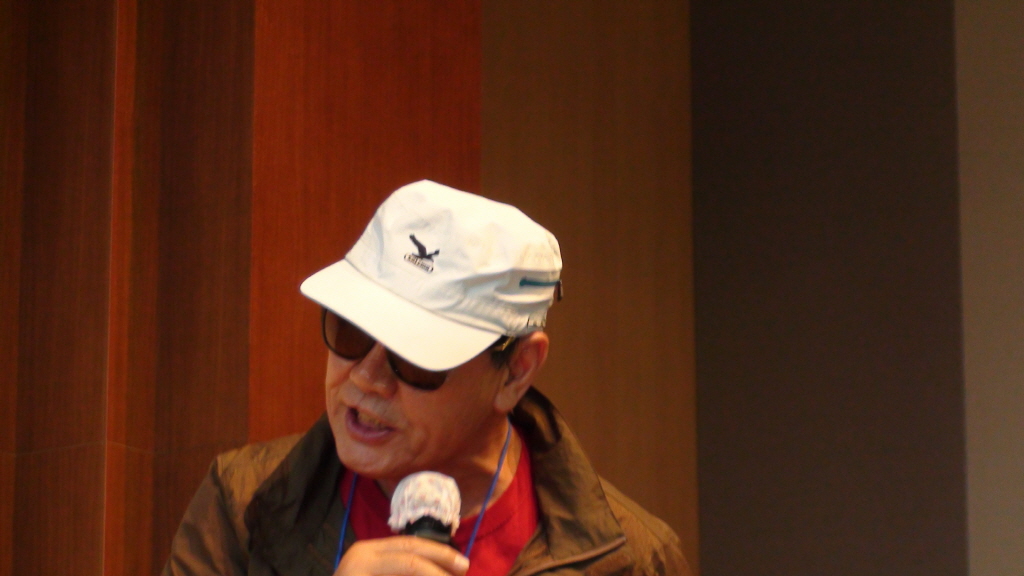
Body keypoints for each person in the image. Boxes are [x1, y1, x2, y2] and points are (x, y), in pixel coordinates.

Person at [163, 180, 691, 576]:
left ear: (516, 371)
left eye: (414, 357)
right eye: (351, 332)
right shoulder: (244, 504)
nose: (366, 377)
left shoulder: (633, 560)